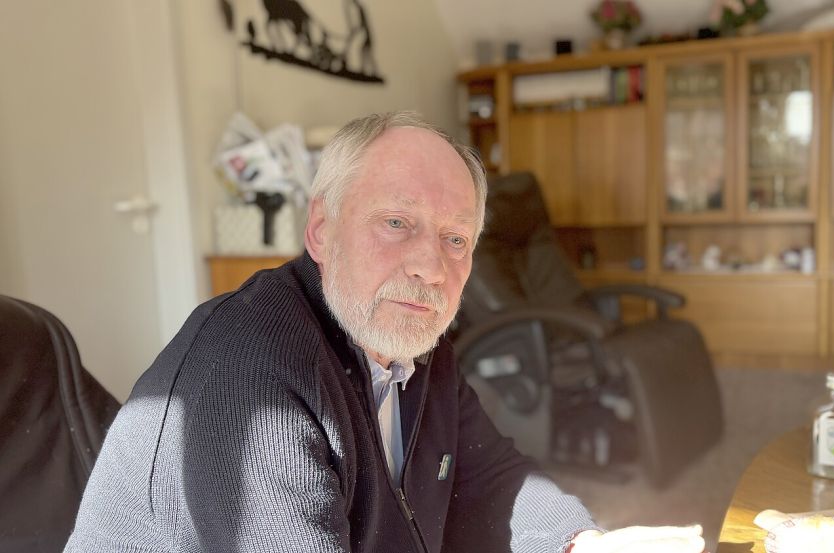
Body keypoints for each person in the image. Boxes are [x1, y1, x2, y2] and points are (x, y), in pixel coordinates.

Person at [65, 112, 705, 553]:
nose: (432, 264)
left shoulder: (416, 343)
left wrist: (578, 543)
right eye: (397, 221)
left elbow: (488, 478)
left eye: (456, 238)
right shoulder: (250, 380)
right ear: (321, 230)